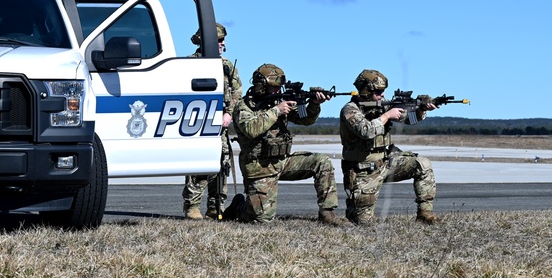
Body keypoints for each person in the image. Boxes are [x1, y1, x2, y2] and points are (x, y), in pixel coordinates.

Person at [222, 64, 343, 225]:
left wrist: (314, 104)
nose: (278, 91)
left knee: (322, 162)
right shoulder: (243, 106)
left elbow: (304, 119)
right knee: (262, 219)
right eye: (274, 88)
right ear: (261, 86)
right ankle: (239, 207)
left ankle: (327, 214)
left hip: (283, 161)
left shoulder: (279, 101)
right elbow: (250, 129)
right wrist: (276, 111)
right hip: (259, 166)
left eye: (279, 87)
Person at [339, 69, 439, 225]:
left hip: (386, 163)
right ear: (366, 91)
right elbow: (366, 131)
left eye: (383, 91)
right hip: (363, 170)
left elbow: (409, 119)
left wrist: (421, 109)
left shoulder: (382, 107)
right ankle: (354, 208)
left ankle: (425, 213)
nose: (382, 95)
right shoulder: (350, 110)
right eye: (378, 92)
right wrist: (386, 116)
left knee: (422, 163)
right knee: (362, 222)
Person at [181, 23, 242, 220]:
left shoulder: (226, 66)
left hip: (221, 125)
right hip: (197, 123)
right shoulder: (189, 64)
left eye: (223, 40)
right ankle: (192, 207)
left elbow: (237, 91)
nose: (222, 44)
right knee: (198, 166)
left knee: (222, 165)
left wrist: (229, 114)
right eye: (218, 40)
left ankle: (216, 207)